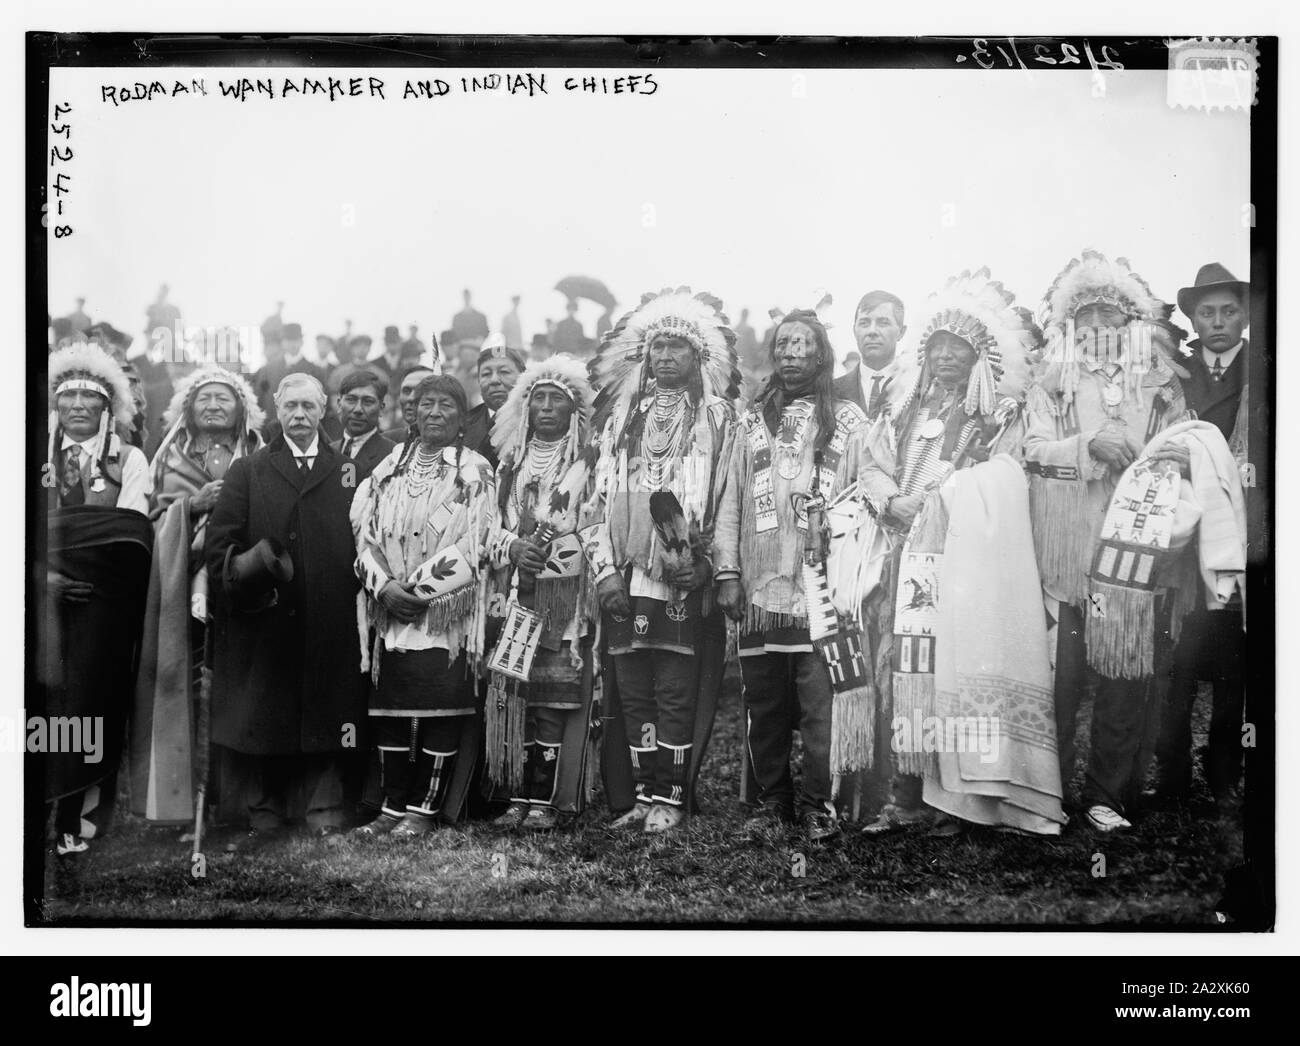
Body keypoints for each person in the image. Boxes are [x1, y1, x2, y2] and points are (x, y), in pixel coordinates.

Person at [856, 270, 1063, 836]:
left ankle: (955, 800)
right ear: (922, 355)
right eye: (937, 347)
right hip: (898, 559)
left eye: (960, 348)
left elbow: (1008, 478)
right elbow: (870, 465)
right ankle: (903, 797)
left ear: (978, 359)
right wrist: (891, 500)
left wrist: (947, 496)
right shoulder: (900, 414)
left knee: (951, 676)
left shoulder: (994, 421)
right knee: (901, 674)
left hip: (960, 568)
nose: (946, 356)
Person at [1022, 250, 1210, 833]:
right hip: (1067, 556)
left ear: (1133, 325)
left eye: (1112, 316)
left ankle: (1109, 793)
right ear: (1070, 327)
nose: (1100, 327)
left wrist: (1179, 455)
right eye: (1088, 317)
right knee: (1061, 679)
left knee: (1126, 675)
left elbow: (1188, 446)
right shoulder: (1050, 384)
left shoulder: (1161, 387)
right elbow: (1029, 453)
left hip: (1134, 557)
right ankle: (1044, 793)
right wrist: (1086, 448)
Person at [582, 289, 740, 834]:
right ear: (644, 358)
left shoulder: (718, 418)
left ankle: (671, 795)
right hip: (628, 572)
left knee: (675, 688)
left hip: (680, 574)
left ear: (699, 358)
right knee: (634, 688)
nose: (666, 356)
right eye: (658, 347)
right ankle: (645, 792)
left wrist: (712, 567)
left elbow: (726, 501)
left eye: (677, 346)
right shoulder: (623, 418)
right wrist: (604, 571)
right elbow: (595, 505)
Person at [714, 307, 869, 843]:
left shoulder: (848, 421)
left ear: (822, 354)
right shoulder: (750, 421)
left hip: (821, 589)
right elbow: (730, 501)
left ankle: (819, 803)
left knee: (820, 703)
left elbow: (862, 497)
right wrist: (728, 572)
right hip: (760, 587)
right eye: (783, 345)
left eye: (804, 345)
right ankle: (773, 801)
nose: (791, 354)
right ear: (772, 355)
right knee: (765, 704)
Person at [206, 373, 366, 842]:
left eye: (309, 407)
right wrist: (246, 582)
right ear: (277, 409)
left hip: (329, 619)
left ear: (323, 412)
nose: (299, 416)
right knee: (266, 715)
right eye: (291, 406)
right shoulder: (249, 470)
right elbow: (220, 548)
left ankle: (325, 807)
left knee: (328, 711)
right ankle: (266, 811)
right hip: (267, 619)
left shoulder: (346, 471)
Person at [350, 375, 497, 836]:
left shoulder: (474, 469)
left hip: (444, 613)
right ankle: (393, 806)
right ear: (411, 412)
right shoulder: (389, 466)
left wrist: (417, 590)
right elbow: (363, 533)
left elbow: (479, 540)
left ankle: (424, 809)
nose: (434, 412)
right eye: (425, 404)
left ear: (460, 418)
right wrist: (384, 587)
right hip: (391, 609)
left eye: (446, 406)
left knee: (438, 710)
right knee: (391, 708)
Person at [132, 365, 264, 827]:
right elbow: (149, 521)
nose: (213, 405)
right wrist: (192, 507)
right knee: (187, 685)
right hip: (184, 585)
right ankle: (189, 801)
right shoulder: (168, 457)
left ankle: (237, 801)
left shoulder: (258, 452)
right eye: (204, 397)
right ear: (187, 407)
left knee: (240, 685)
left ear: (241, 408)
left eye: (223, 398)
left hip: (240, 584)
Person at [43, 344, 153, 855]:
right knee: (41, 700)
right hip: (37, 598)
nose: (79, 406)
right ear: (55, 406)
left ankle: (78, 818)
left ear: (110, 408)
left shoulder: (129, 461)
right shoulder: (29, 459)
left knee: (94, 699)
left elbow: (128, 535)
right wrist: (42, 578)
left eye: (91, 397)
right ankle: (30, 808)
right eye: (69, 397)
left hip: (103, 601)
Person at [1150, 263, 1251, 805]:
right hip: (1184, 533)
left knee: (1234, 662)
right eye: (1207, 312)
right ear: (1192, 317)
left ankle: (1224, 775)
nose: (1218, 323)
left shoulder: (1266, 372)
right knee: (1177, 662)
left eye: (1229, 311)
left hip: (1239, 530)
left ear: (1245, 315)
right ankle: (1170, 779)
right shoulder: (1177, 374)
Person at [485, 355, 599, 830]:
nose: (547, 408)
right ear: (526, 408)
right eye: (539, 399)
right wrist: (513, 548)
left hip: (563, 597)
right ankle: (516, 797)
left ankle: (545, 800)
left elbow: (594, 522)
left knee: (553, 697)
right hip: (516, 592)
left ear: (575, 411)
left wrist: (552, 554)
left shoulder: (587, 466)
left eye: (558, 400)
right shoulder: (508, 464)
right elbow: (487, 527)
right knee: (516, 693)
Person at [834, 290, 915, 422]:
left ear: (901, 332)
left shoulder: (914, 390)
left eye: (883, 323)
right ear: (854, 330)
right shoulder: (832, 391)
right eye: (864, 323)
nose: (872, 331)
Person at [463, 335, 525, 468]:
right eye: (486, 374)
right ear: (478, 381)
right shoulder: (464, 425)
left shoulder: (536, 421)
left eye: (504, 372)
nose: (494, 380)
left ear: (522, 377)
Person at [332, 370, 395, 485]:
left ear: (381, 408)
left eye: (368, 402)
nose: (358, 410)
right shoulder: (328, 451)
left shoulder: (392, 455)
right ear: (339, 404)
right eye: (351, 400)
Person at [382, 363, 436, 440]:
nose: (411, 398)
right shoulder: (386, 443)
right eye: (406, 391)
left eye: (420, 391)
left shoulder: (454, 445)